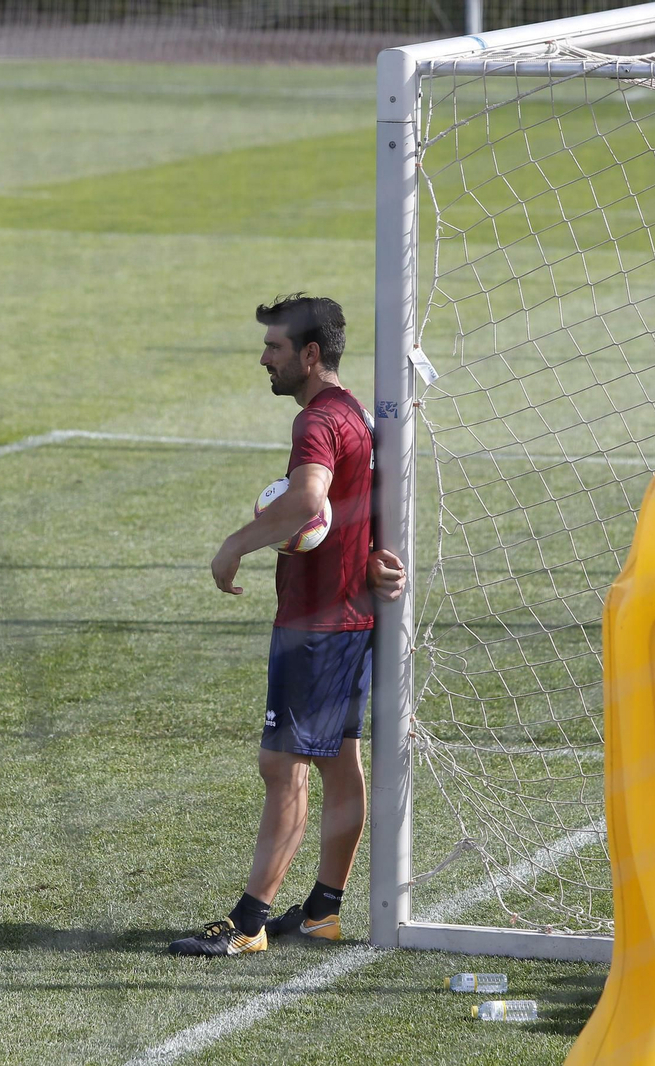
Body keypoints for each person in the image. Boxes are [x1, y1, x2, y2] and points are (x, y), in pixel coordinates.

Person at [169, 294, 406, 957]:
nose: (264, 359)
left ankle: (250, 923)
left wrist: (234, 544)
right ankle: (325, 911)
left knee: (283, 767)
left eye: (273, 348)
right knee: (335, 760)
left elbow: (308, 501)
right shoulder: (352, 411)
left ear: (308, 355)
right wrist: (377, 559)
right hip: (346, 614)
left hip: (319, 623)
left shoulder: (316, 425)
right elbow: (363, 498)